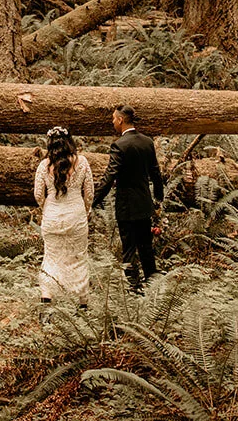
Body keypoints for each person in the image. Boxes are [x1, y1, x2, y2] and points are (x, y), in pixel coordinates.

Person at [91, 105, 164, 292]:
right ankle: (153, 284)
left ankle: (133, 288)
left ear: (121, 120)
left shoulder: (119, 145)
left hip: (126, 206)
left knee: (129, 248)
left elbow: (109, 176)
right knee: (146, 246)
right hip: (144, 203)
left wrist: (92, 200)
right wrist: (158, 198)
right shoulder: (147, 142)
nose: (112, 122)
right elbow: (156, 173)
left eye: (114, 119)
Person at [33, 126, 94, 305]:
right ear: (70, 142)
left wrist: (47, 208)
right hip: (76, 216)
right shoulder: (82, 162)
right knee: (78, 257)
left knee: (51, 258)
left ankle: (47, 298)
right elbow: (89, 193)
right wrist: (85, 210)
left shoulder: (44, 165)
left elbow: (38, 194)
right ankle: (82, 302)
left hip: (52, 217)